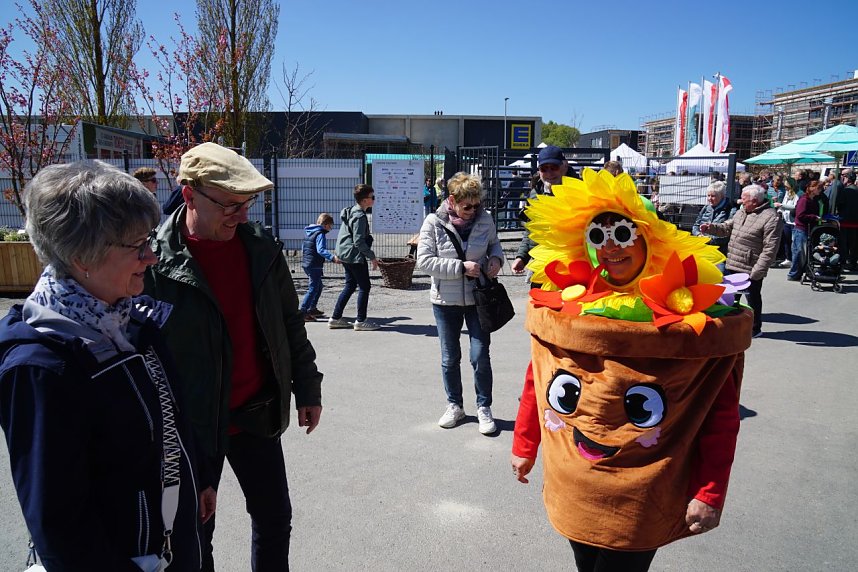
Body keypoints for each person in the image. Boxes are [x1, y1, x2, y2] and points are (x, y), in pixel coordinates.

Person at [511, 168, 748, 572]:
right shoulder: (575, 304)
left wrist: (709, 492)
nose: (610, 248)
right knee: (585, 560)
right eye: (596, 237)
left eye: (622, 234)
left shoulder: (688, 318)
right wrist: (524, 444)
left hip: (642, 493)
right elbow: (540, 378)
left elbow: (719, 412)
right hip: (576, 485)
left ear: (647, 238)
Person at [0, 161, 212, 571]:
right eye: (137, 246)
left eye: (148, 240)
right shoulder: (41, 367)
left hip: (173, 543)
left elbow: (170, 416)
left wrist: (196, 476)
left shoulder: (130, 319)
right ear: (82, 256)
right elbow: (58, 524)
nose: (151, 257)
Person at [144, 142, 323, 572]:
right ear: (189, 195)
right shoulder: (152, 258)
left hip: (255, 413)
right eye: (229, 204)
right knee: (191, 533)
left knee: (274, 519)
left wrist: (307, 386)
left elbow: (289, 323)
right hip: (190, 428)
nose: (242, 215)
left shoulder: (261, 249)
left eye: (248, 204)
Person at [416, 172, 504, 435]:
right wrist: (460, 268)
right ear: (452, 200)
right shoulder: (432, 223)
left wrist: (496, 260)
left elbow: (495, 246)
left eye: (477, 205)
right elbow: (425, 261)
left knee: (480, 355)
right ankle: (454, 405)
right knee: (449, 357)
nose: (473, 211)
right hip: (445, 300)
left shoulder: (485, 220)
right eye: (468, 206)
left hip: (479, 298)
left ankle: (484, 407)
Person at [701, 184, 783, 338]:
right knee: (729, 299)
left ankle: (755, 328)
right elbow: (727, 227)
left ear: (755, 200)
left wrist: (758, 270)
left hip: (750, 267)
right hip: (733, 262)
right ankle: (730, 327)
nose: (740, 201)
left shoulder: (771, 217)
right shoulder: (741, 212)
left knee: (752, 299)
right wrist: (711, 228)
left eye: (744, 199)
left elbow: (770, 248)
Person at [511, 145, 572, 278]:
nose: (549, 173)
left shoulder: (578, 193)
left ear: (564, 167)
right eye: (544, 169)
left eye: (554, 167)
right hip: (540, 265)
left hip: (570, 266)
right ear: (539, 171)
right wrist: (521, 257)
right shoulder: (535, 194)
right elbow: (531, 231)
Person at [328, 183, 380, 331]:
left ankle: (335, 318)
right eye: (372, 197)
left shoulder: (351, 211)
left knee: (350, 285)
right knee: (364, 286)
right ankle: (361, 320)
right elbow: (358, 242)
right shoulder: (359, 216)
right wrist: (372, 257)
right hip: (354, 256)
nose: (374, 200)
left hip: (345, 253)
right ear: (364, 200)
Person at [300, 212, 340, 321]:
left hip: (307, 263)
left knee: (318, 286)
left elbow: (304, 248)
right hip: (314, 264)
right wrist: (332, 258)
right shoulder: (320, 234)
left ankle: (312, 308)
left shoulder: (309, 232)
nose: (330, 228)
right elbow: (320, 250)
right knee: (313, 288)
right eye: (330, 226)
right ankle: (303, 311)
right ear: (326, 224)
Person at [787, 179, 825, 281]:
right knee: (799, 253)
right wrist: (814, 217)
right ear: (812, 188)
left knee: (804, 254)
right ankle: (793, 274)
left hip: (808, 229)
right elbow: (800, 215)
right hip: (801, 229)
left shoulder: (813, 200)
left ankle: (801, 272)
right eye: (819, 188)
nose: (820, 190)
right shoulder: (804, 200)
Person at [692, 181, 737, 257]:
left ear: (722, 196)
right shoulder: (706, 208)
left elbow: (729, 232)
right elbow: (695, 226)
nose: (709, 198)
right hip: (702, 248)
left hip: (720, 252)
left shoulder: (730, 210)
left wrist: (710, 240)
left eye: (713, 196)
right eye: (708, 195)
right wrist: (698, 235)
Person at [835, 170, 858, 271]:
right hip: (855, 221)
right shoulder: (856, 190)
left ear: (847, 178)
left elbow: (839, 204)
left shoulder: (845, 191)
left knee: (843, 243)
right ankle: (853, 262)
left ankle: (843, 262)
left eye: (844, 176)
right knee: (854, 243)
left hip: (845, 221)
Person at [774, 178, 799, 267]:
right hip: (786, 220)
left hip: (793, 222)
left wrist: (781, 205)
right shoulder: (787, 193)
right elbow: (784, 204)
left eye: (786, 186)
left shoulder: (797, 194)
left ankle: (794, 259)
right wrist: (780, 210)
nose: (785, 188)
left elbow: (795, 207)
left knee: (793, 242)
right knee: (786, 241)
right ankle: (788, 258)